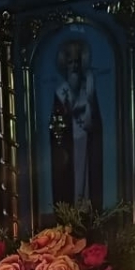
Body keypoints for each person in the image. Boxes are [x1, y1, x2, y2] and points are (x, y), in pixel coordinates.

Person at [50, 39, 103, 210]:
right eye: (71, 62)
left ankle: (86, 210)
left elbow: (95, 118)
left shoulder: (88, 89)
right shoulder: (61, 92)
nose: (74, 66)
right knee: (71, 180)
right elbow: (56, 122)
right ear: (65, 65)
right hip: (69, 145)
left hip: (85, 142)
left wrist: (88, 109)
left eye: (77, 62)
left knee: (85, 178)